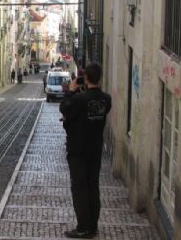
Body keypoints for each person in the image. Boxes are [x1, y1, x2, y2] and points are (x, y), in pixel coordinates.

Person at [59, 63, 112, 239]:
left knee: (80, 189)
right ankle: (93, 226)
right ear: (100, 78)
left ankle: (83, 228)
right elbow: (90, 116)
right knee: (93, 188)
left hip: (78, 152)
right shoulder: (106, 99)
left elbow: (64, 107)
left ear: (86, 78)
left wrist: (72, 90)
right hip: (95, 150)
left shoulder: (80, 99)